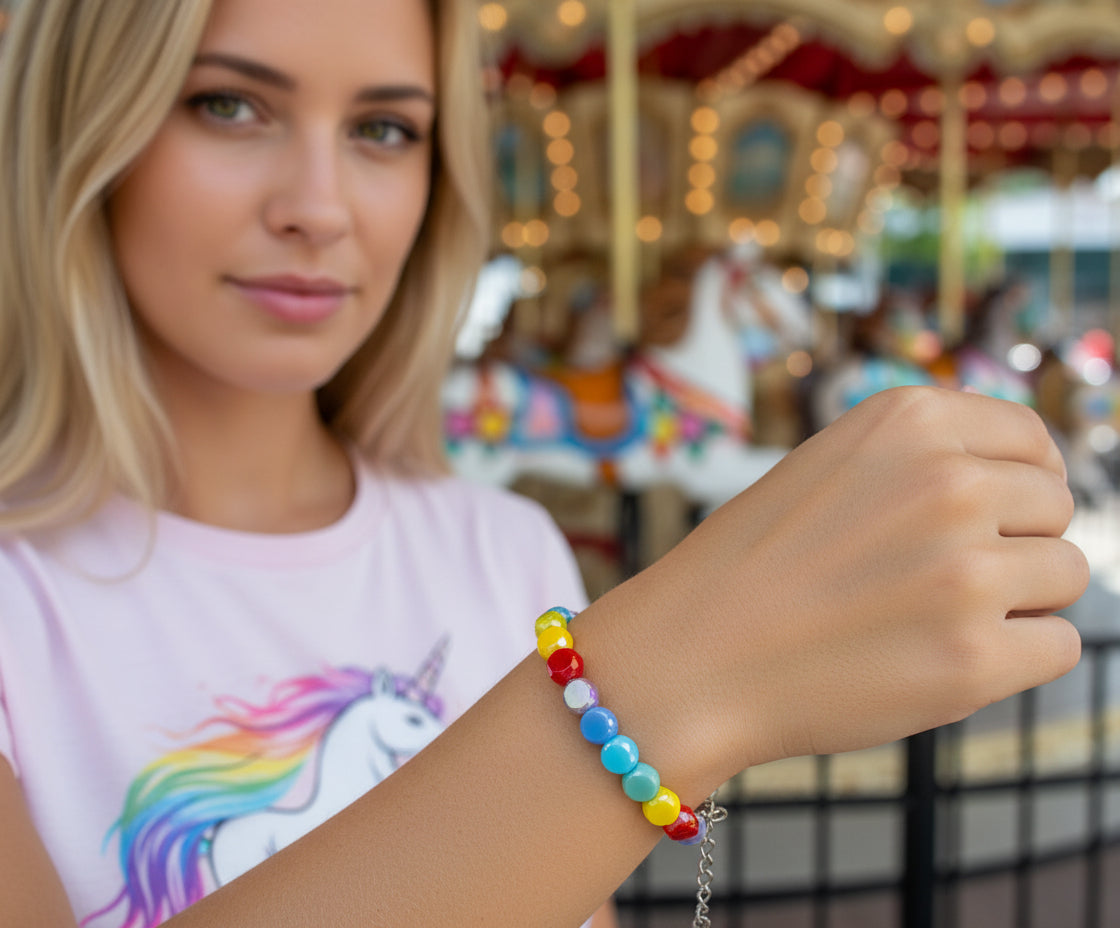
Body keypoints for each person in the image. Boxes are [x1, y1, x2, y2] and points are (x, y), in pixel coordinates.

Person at [0, 1, 1089, 927]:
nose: (319, 208)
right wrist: (680, 665)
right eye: (227, 105)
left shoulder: (502, 549)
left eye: (384, 128)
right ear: (83, 124)